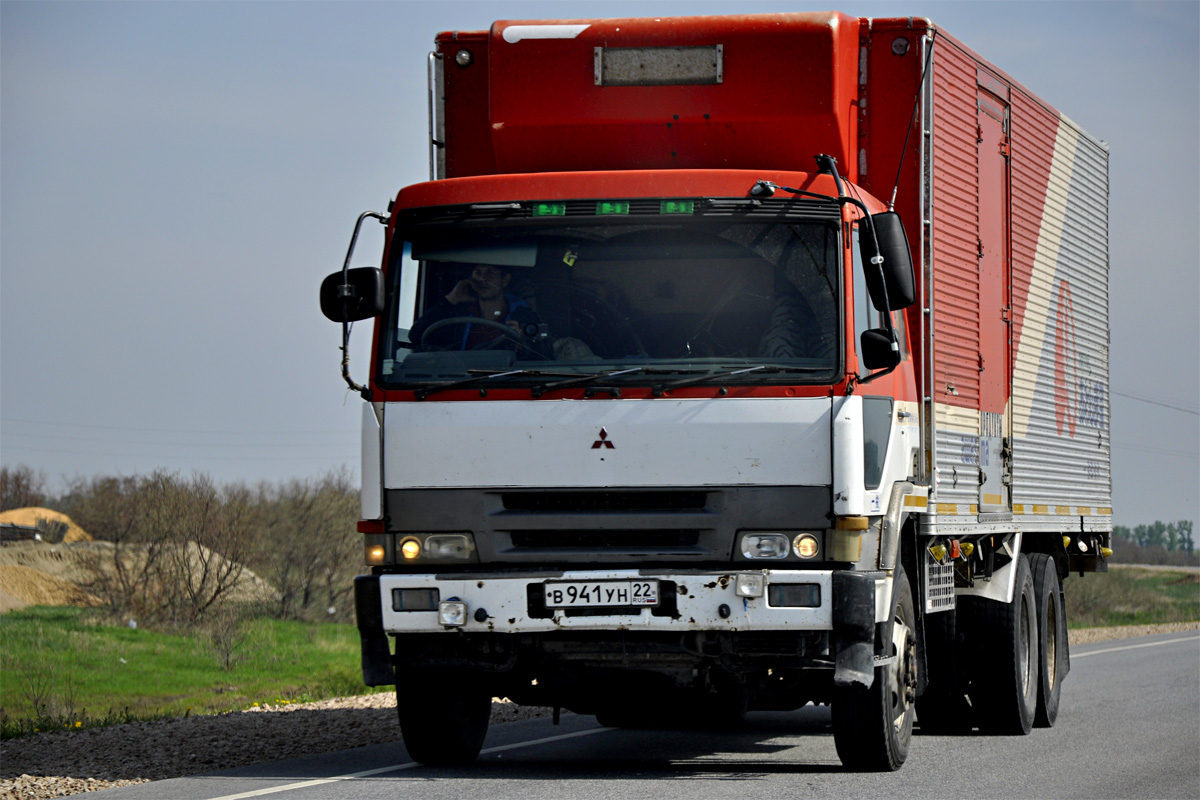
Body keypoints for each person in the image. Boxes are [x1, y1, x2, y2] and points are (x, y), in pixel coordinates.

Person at [408, 263, 548, 356]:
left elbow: (545, 357)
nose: (482, 279)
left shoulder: (524, 316)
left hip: (508, 385)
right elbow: (416, 336)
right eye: (478, 272)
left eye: (490, 273)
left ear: (505, 280)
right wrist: (451, 299)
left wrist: (523, 342)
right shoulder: (457, 316)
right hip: (459, 385)